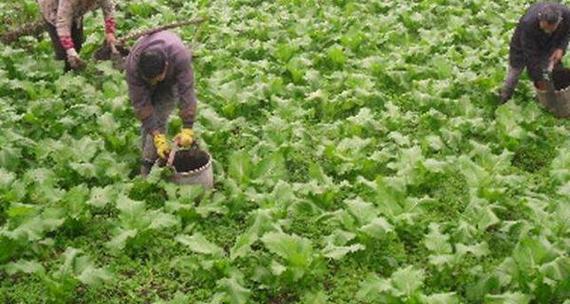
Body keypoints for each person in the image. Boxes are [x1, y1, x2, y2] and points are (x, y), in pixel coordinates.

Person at [126, 31, 198, 175]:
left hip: (169, 82)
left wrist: (187, 128)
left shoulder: (179, 57)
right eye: (150, 79)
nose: (154, 83)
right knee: (150, 124)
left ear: (166, 65)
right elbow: (141, 105)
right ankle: (147, 166)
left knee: (160, 115)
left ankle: (152, 165)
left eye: (157, 78)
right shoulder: (133, 67)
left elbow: (187, 91)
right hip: (143, 83)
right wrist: (157, 137)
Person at [499, 2, 570, 103]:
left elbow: (567, 32)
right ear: (540, 19)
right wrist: (538, 79)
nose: (547, 30)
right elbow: (531, 57)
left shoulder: (567, 14)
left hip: (549, 44)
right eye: (544, 28)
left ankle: (551, 99)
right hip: (522, 47)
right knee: (514, 73)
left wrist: (560, 48)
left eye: (550, 29)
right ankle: (504, 98)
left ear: (559, 22)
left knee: (552, 69)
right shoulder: (528, 23)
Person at [38, 0, 117, 72]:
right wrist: (70, 50)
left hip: (76, 10)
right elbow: (62, 23)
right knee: (63, 54)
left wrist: (110, 32)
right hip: (52, 8)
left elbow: (109, 8)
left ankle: (75, 69)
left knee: (77, 43)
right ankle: (64, 75)